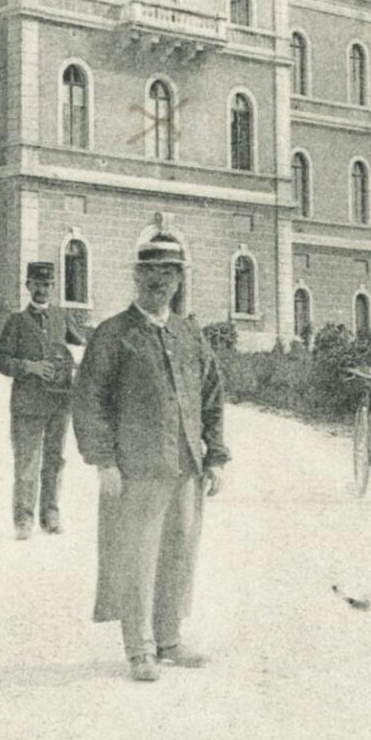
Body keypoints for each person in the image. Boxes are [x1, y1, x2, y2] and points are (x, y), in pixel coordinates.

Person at [72, 233, 227, 682]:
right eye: (151, 272)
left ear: (179, 281)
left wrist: (215, 455)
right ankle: (139, 648)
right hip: (136, 470)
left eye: (169, 273)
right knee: (136, 557)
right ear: (137, 277)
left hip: (185, 468)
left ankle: (168, 639)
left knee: (179, 552)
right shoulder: (114, 335)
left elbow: (213, 395)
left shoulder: (188, 333)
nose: (160, 282)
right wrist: (104, 461)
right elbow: (89, 401)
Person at [0, 261, 87, 540]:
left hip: (60, 401)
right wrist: (30, 367)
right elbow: (1, 360)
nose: (42, 290)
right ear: (28, 286)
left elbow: (83, 344)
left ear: (54, 287)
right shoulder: (16, 323)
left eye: (48, 285)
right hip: (28, 403)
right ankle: (23, 520)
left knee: (55, 460)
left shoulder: (62, 317)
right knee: (27, 462)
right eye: (37, 284)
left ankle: (51, 514)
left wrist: (78, 363)